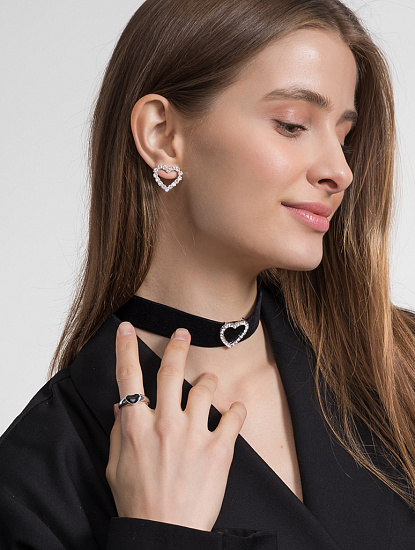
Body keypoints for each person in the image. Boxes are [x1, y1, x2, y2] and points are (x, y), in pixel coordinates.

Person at [1, 0, 415, 548]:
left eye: (343, 136)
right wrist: (159, 533)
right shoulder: (37, 480)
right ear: (162, 135)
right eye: (292, 125)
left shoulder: (399, 367)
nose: (340, 171)